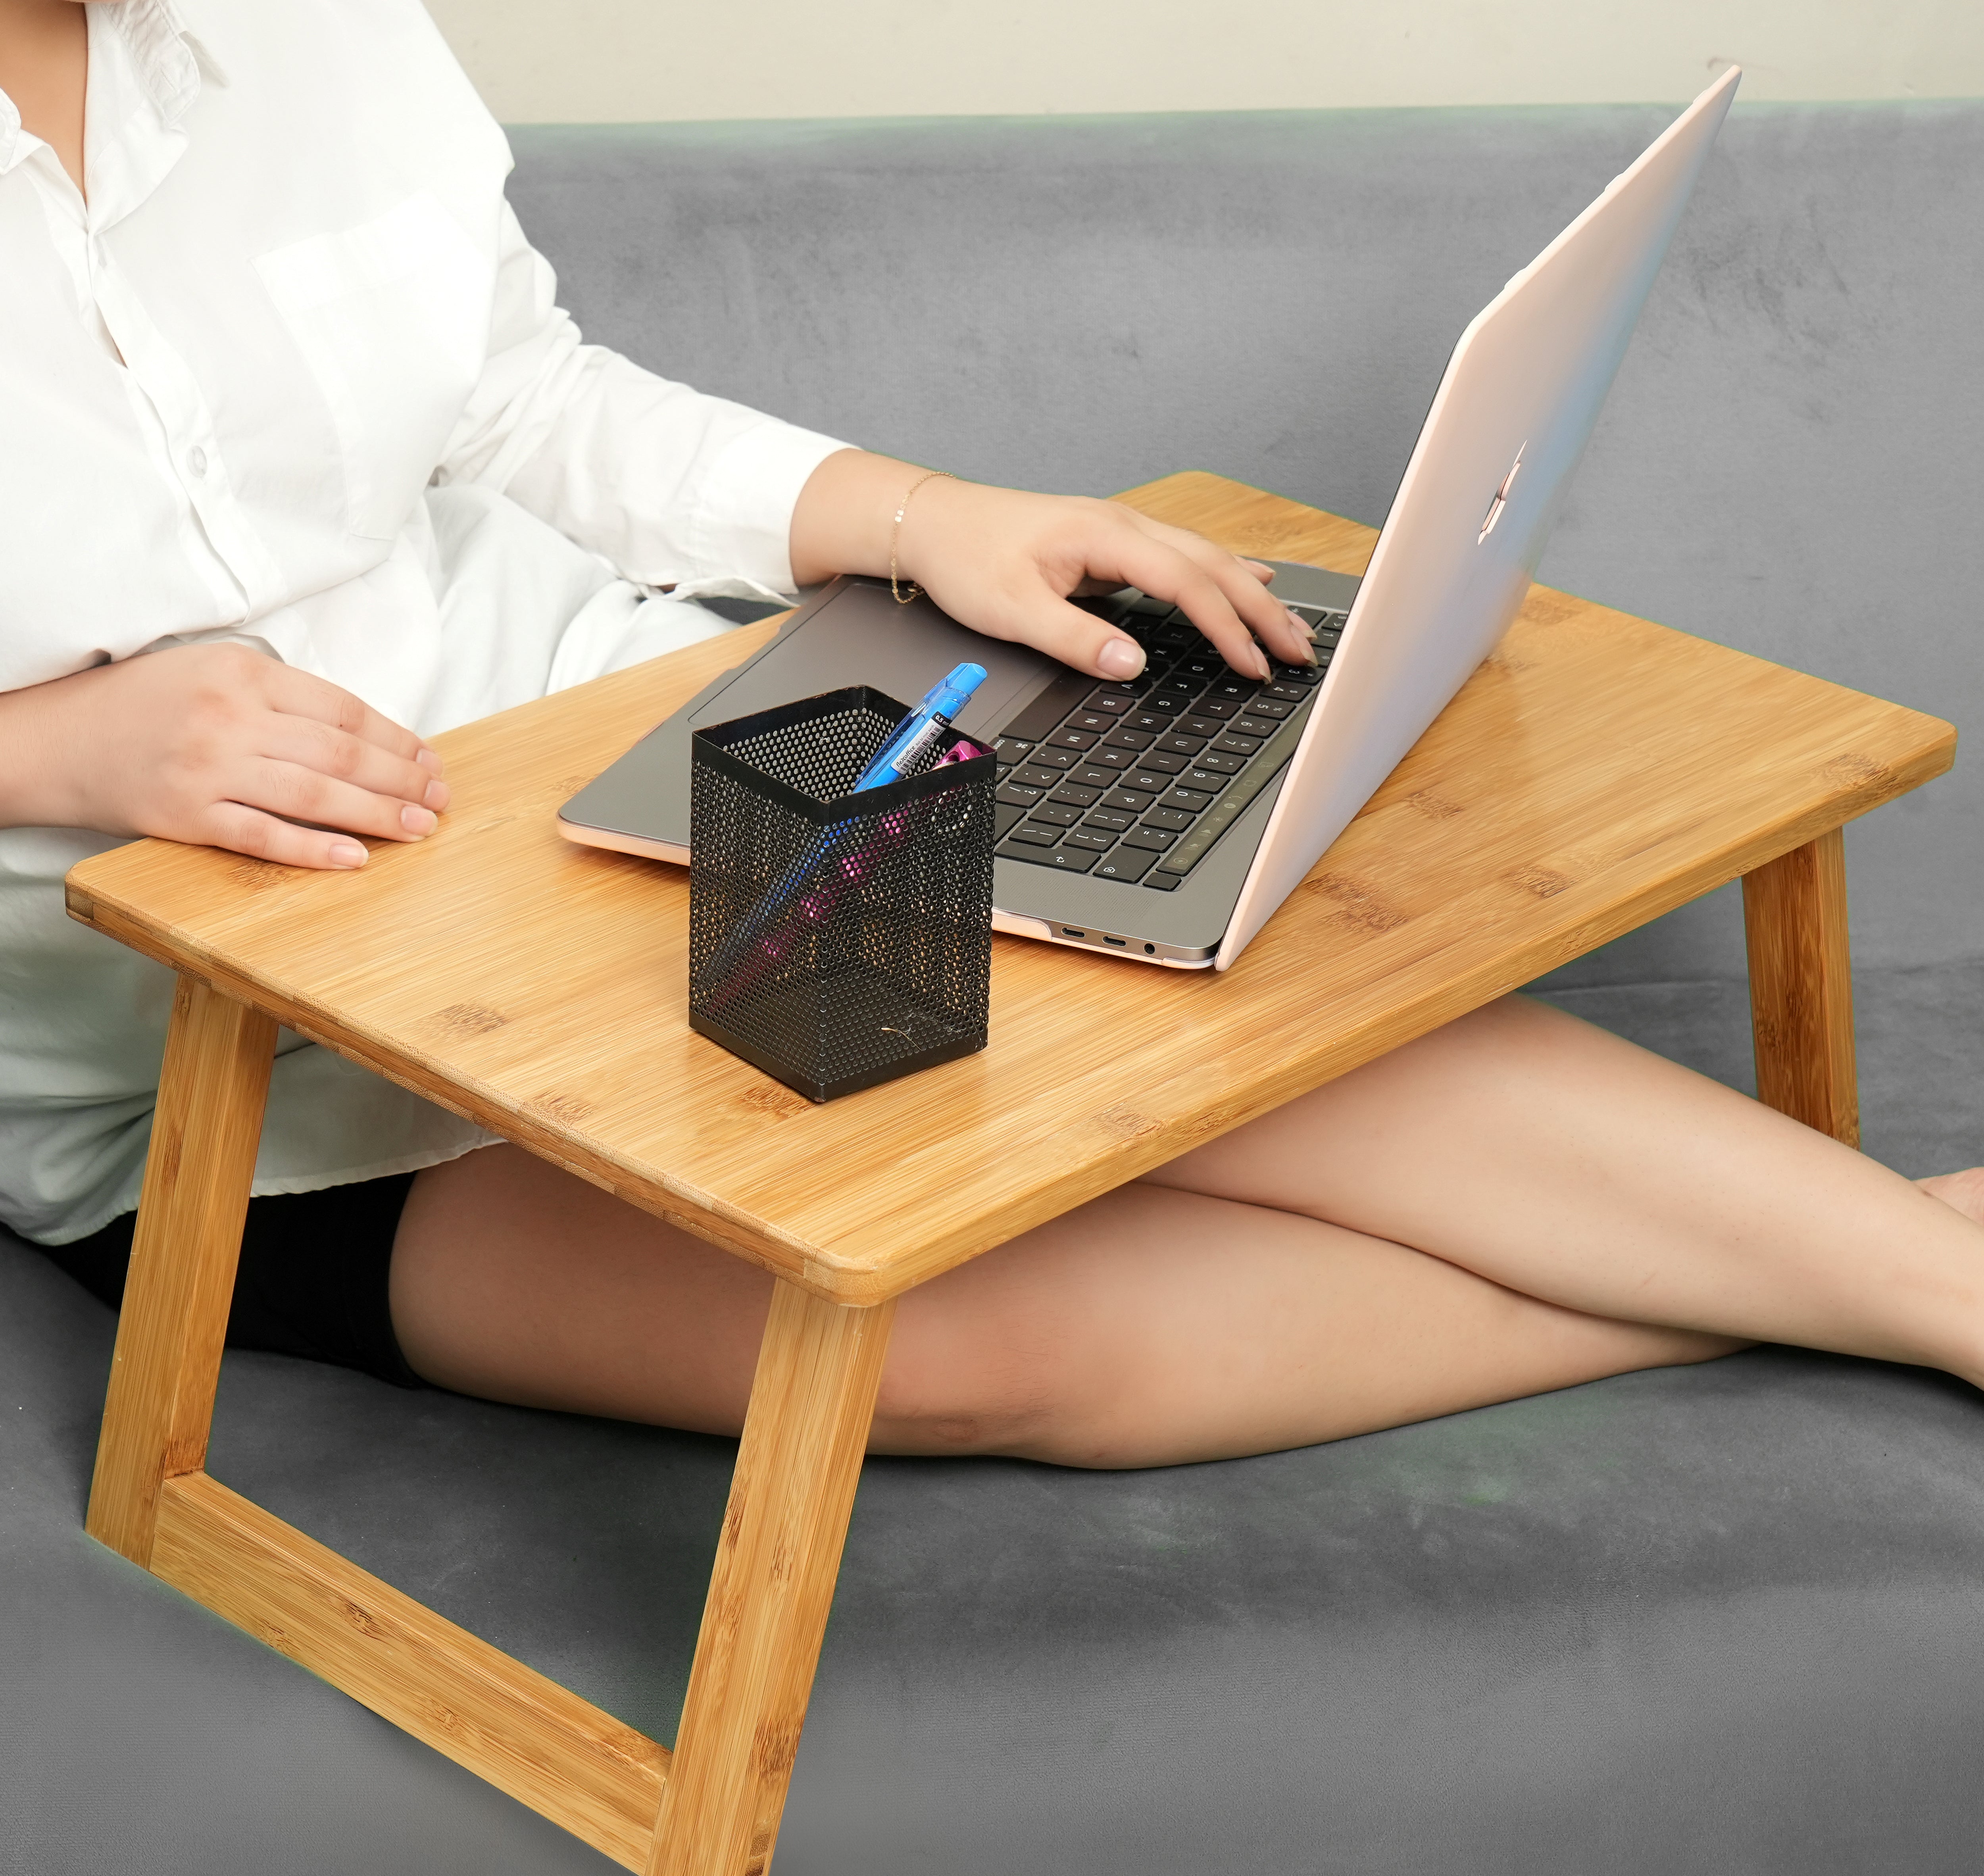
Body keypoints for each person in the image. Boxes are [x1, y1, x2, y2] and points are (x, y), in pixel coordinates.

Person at [4, 0, 1981, 1471]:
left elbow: (519, 398)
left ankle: (1929, 1292)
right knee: (951, 1350)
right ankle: (1846, 1261)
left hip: (593, 797)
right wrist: (60, 746)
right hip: (195, 1073)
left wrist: (918, 514)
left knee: (1212, 1029)